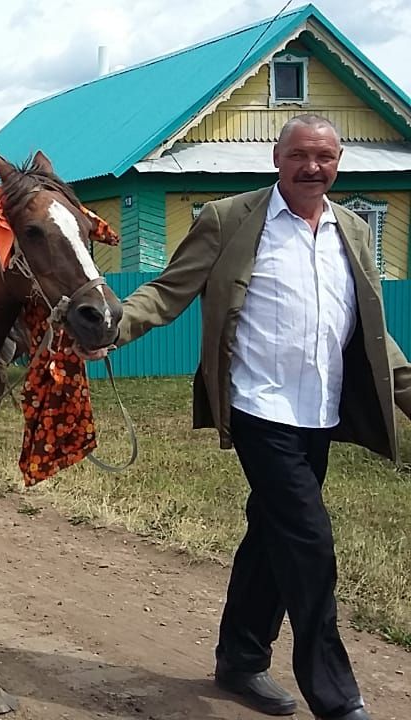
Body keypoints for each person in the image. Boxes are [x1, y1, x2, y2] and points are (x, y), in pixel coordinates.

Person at [81, 114, 410, 720]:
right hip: (259, 406)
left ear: (340, 163)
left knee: (270, 537)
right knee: (310, 546)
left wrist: (405, 389)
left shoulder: (354, 231)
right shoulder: (230, 220)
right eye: (301, 156)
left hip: (321, 411)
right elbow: (168, 290)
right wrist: (115, 325)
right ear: (277, 158)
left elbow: (369, 329)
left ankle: (240, 659)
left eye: (326, 158)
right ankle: (337, 699)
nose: (313, 168)